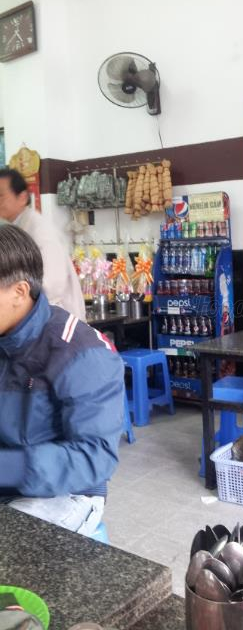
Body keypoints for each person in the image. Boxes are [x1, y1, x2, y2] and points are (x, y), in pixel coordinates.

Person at [0, 225, 124, 534]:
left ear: (19, 292)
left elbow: (94, 457)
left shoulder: (81, 352)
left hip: (67, 491)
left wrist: (8, 467)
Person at [0, 168, 86, 320]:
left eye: (1, 196)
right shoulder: (18, 227)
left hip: (55, 320)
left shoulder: (40, 230)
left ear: (22, 197)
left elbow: (52, 284)